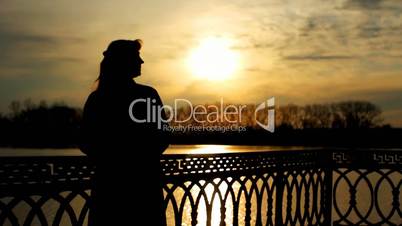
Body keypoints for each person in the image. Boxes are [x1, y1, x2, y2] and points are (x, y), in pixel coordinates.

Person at [80, 39, 170, 225]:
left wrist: (112, 161)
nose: (142, 61)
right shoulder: (147, 95)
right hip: (144, 186)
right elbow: (163, 137)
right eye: (137, 57)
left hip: (108, 186)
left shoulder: (97, 99)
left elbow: (86, 141)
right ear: (124, 61)